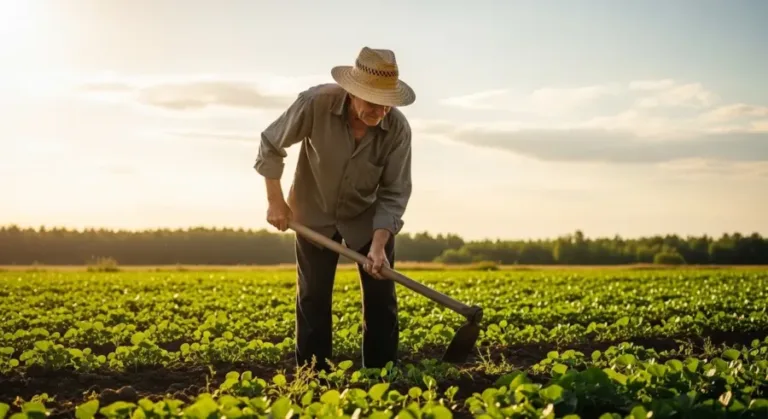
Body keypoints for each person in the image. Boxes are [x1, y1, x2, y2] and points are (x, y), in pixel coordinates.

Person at [253, 47, 415, 371]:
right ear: (353, 92)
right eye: (372, 102)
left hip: (369, 219)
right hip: (313, 213)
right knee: (313, 297)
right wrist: (275, 201)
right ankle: (315, 379)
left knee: (381, 299)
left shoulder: (397, 130)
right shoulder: (315, 104)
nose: (380, 111)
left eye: (387, 104)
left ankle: (380, 377)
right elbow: (271, 143)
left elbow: (394, 191)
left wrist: (380, 244)